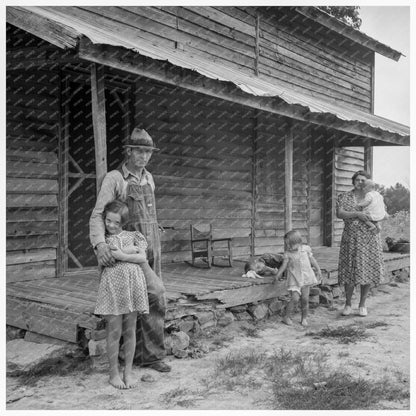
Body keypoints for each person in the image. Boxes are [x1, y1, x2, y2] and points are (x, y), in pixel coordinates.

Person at [90, 127, 170, 373]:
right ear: (128, 151)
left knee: (154, 299)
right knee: (129, 301)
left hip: (150, 248)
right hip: (126, 250)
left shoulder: (149, 179)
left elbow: (147, 214)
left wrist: (157, 229)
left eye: (148, 152)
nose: (144, 157)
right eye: (139, 151)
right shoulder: (116, 179)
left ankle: (152, 356)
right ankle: (128, 357)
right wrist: (100, 244)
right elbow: (98, 214)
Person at [95, 200, 150, 389]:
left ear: (123, 223)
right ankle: (113, 374)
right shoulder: (103, 240)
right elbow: (111, 255)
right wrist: (131, 252)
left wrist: (124, 254)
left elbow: (143, 257)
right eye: (108, 221)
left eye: (116, 223)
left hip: (132, 286)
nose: (111, 225)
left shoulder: (134, 235)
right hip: (112, 287)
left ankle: (128, 371)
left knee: (129, 331)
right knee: (114, 331)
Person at [336, 170, 385, 317]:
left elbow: (382, 212)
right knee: (349, 270)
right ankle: (348, 303)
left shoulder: (374, 196)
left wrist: (378, 224)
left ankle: (362, 304)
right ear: (353, 181)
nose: (360, 182)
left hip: (369, 238)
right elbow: (340, 214)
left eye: (363, 180)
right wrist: (357, 214)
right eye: (357, 180)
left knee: (367, 269)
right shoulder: (345, 196)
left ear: (368, 182)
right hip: (351, 238)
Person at [275, 230, 322, 327]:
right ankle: (286, 317)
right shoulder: (288, 254)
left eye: (290, 244)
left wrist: (318, 270)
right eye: (286, 245)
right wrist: (278, 274)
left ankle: (304, 318)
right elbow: (284, 266)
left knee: (305, 299)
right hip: (294, 279)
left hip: (306, 278)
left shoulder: (305, 249)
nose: (288, 247)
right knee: (295, 298)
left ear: (298, 242)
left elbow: (312, 260)